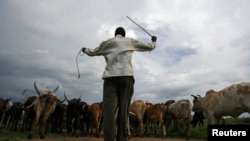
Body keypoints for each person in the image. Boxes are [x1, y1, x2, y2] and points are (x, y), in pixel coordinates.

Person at [81, 27, 157, 141]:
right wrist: (154, 41)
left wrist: (84, 49)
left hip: (110, 78)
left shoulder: (107, 43)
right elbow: (148, 47)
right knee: (123, 112)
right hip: (126, 77)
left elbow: (93, 52)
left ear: (115, 34)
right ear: (124, 35)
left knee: (109, 113)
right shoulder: (130, 41)